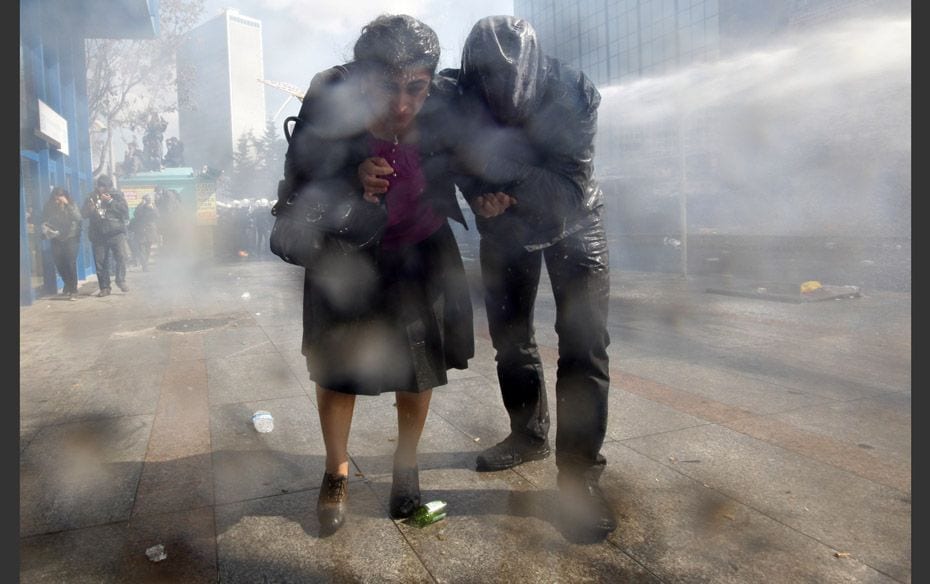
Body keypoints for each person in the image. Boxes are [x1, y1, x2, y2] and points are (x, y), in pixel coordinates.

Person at [286, 13, 474, 534]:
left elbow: (476, 157)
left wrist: (494, 194)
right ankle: (336, 471)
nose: (401, 105)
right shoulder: (329, 94)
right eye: (386, 87)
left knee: (418, 368)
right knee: (338, 367)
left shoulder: (445, 103)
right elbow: (299, 171)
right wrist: (348, 174)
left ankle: (406, 468)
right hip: (347, 254)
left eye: (416, 87)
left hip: (420, 249)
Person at [443, 15, 616, 539]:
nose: (496, 90)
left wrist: (502, 167)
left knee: (584, 347)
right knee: (511, 341)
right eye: (486, 78)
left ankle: (579, 475)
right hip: (505, 228)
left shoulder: (573, 92)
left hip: (574, 221)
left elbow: (566, 190)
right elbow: (447, 156)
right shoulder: (455, 93)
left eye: (506, 76)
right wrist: (478, 194)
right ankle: (528, 434)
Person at [81, 174, 131, 296]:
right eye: (100, 186)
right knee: (101, 262)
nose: (102, 189)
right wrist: (90, 209)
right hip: (98, 234)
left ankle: (120, 280)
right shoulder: (90, 197)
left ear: (109, 187)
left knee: (121, 257)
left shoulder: (117, 195)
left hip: (116, 232)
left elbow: (125, 211)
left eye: (104, 186)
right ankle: (105, 287)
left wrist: (110, 201)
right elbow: (83, 214)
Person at [41, 186, 83, 300]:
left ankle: (73, 290)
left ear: (65, 196)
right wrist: (46, 229)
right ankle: (68, 284)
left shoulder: (71, 204)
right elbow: (44, 219)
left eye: (60, 196)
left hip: (71, 237)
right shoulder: (49, 205)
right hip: (56, 237)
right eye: (56, 196)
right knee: (59, 263)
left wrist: (67, 205)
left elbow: (78, 218)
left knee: (70, 262)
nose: (58, 199)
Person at [129, 194, 159, 271]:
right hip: (141, 230)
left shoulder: (153, 207)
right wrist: (141, 206)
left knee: (148, 248)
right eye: (146, 199)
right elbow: (136, 215)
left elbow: (157, 216)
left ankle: (145, 263)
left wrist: (152, 209)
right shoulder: (140, 207)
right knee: (141, 248)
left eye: (149, 199)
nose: (148, 201)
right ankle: (145, 265)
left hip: (150, 231)